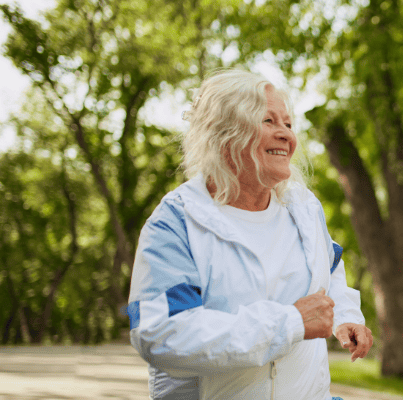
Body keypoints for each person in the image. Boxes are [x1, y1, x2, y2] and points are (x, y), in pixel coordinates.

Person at [126, 69, 372, 399]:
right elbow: (162, 334)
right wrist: (290, 322)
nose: (287, 135)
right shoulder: (177, 221)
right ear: (224, 133)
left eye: (287, 123)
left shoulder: (303, 207)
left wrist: (345, 316)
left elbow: (328, 268)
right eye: (268, 121)